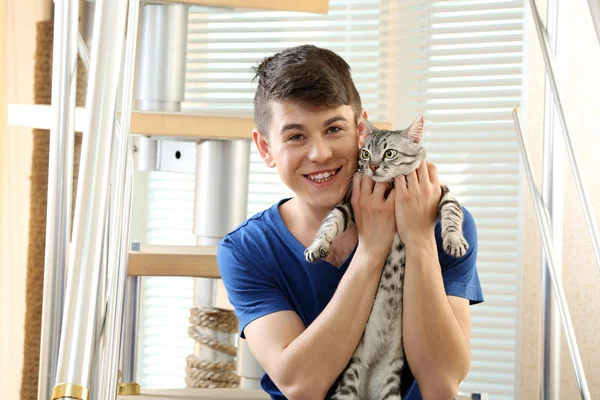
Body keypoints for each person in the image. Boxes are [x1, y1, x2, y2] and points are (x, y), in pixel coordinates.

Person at [217, 44, 484, 400]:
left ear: (361, 132)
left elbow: (441, 384)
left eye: (334, 129)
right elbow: (301, 385)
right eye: (296, 136)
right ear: (265, 149)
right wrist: (372, 249)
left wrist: (418, 239)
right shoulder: (247, 250)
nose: (320, 154)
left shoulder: (443, 225)